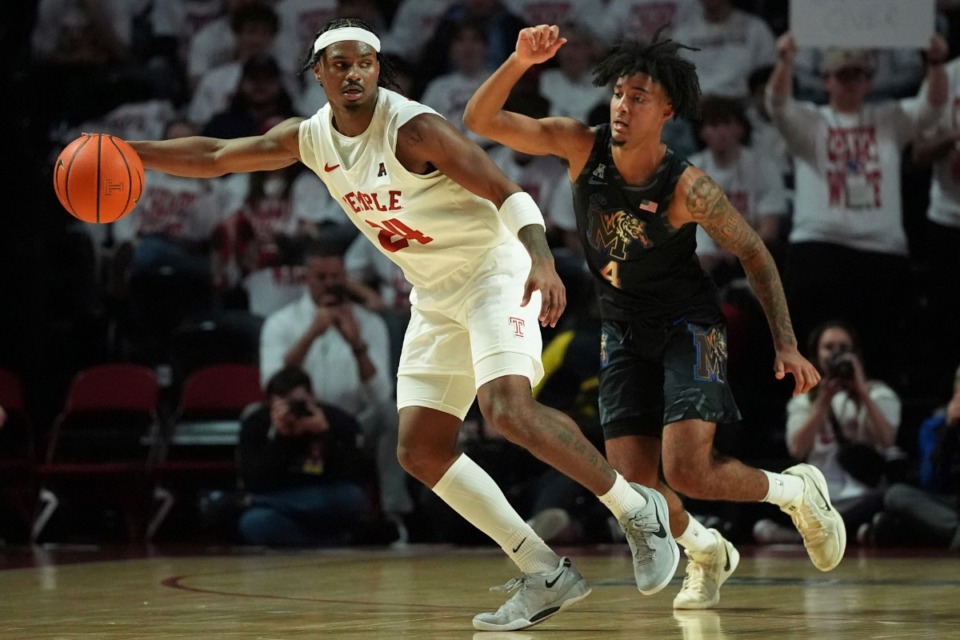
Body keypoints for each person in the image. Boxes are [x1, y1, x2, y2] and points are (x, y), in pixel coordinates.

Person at [127, 18, 681, 632]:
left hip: (495, 270)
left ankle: (637, 510)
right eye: (340, 64)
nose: (354, 73)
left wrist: (544, 262)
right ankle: (543, 571)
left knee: (506, 410)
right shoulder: (312, 138)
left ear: (376, 68)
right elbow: (215, 155)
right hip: (435, 292)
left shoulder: (413, 127)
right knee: (420, 450)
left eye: (364, 62)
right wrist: (129, 154)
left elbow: (507, 191)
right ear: (318, 74)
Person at [463, 23, 846, 611]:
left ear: (666, 109)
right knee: (637, 494)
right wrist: (518, 62)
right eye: (618, 93)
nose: (622, 105)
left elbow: (755, 252)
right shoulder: (578, 144)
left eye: (637, 97)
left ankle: (796, 490)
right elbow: (481, 121)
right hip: (621, 329)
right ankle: (706, 550)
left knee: (688, 471)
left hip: (690, 326)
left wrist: (787, 344)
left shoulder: (687, 186)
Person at [765, 33, 949, 383]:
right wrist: (786, 62)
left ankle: (873, 420)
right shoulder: (811, 121)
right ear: (826, 82)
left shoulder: (889, 118)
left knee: (878, 352)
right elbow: (777, 103)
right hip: (819, 248)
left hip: (880, 250)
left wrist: (936, 64)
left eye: (857, 75)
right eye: (842, 75)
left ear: (869, 81)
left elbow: (933, 107)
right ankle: (811, 423)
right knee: (811, 348)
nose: (850, 82)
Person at [258, 241, 413, 535]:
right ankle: (263, 501)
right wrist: (311, 335)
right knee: (253, 416)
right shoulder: (280, 323)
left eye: (336, 277)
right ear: (306, 278)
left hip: (352, 427)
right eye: (322, 277)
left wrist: (357, 345)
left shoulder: (369, 324)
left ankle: (396, 515)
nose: (330, 284)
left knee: (391, 416)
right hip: (296, 423)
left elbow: (381, 396)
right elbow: (272, 386)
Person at [753, 321, 902, 544]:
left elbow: (887, 440)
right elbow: (797, 450)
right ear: (816, 355)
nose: (836, 354)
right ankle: (846, 535)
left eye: (844, 348)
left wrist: (861, 392)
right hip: (817, 499)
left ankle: (809, 538)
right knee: (764, 506)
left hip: (863, 497)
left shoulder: (879, 394)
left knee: (891, 499)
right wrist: (822, 402)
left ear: (855, 354)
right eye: (829, 347)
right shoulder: (804, 401)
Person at [237, 365, 371, 546]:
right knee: (254, 522)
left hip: (329, 497)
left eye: (298, 404)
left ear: (313, 397)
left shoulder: (338, 420)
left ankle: (258, 503)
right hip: (282, 500)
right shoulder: (257, 424)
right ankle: (332, 543)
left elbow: (355, 474)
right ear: (270, 404)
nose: (294, 411)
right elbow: (253, 479)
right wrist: (282, 438)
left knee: (352, 498)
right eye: (285, 405)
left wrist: (325, 434)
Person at [877, 363, 960, 549]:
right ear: (956, 390)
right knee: (896, 494)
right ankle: (954, 531)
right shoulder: (934, 427)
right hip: (946, 504)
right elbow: (930, 481)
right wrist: (950, 430)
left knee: (891, 524)